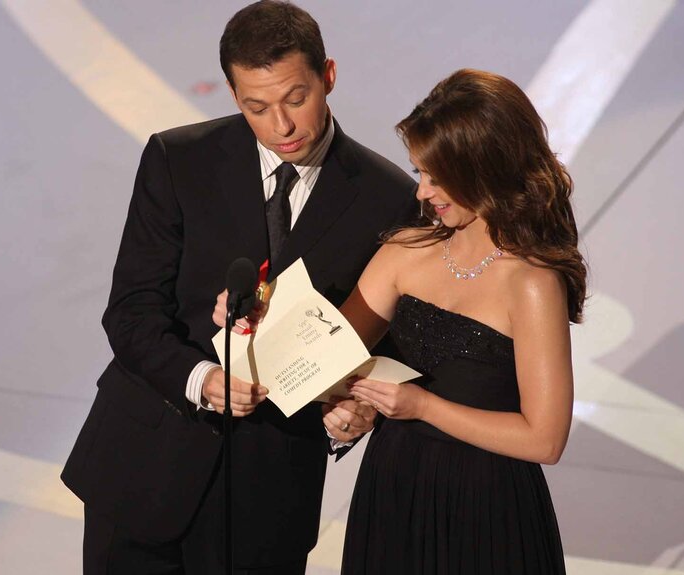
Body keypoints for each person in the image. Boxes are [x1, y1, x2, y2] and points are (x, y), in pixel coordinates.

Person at [60, 1, 417, 573]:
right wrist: (201, 379)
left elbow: (382, 346)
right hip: (142, 469)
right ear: (232, 95)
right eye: (257, 106)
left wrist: (356, 412)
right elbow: (131, 311)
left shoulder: (388, 197)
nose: (282, 126)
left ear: (327, 76)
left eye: (296, 99)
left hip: (270, 492)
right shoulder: (178, 160)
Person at [334, 68, 587, 574]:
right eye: (418, 174)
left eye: (436, 176)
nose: (423, 192)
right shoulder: (405, 251)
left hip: (487, 512)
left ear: (484, 168)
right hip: (393, 495)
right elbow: (323, 358)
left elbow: (545, 439)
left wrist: (423, 406)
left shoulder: (532, 283)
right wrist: (256, 321)